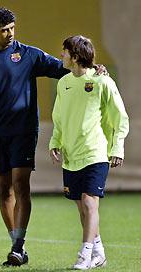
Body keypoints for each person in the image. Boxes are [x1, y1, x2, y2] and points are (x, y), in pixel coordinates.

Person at [0, 7, 107, 267]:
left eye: (12, 28)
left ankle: (18, 246)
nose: (10, 33)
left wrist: (93, 68)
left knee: (21, 185)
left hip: (24, 131)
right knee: (3, 190)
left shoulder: (29, 55)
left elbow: (65, 69)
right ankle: (17, 246)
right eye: (4, 30)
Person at [49, 36, 129, 270]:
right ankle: (98, 251)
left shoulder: (103, 82)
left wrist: (118, 147)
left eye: (63, 52)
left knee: (89, 202)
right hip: (72, 156)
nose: (60, 56)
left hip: (96, 153)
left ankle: (84, 255)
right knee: (80, 206)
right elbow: (59, 117)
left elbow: (120, 118)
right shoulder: (63, 83)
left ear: (75, 56)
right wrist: (56, 141)